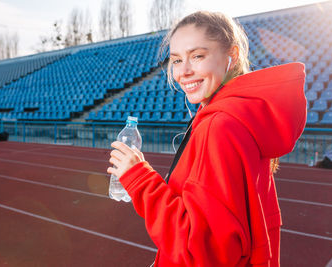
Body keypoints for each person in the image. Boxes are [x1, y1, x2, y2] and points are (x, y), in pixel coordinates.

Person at [107, 11, 307, 267]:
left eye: (197, 56)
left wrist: (138, 177)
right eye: (177, 60)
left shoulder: (220, 126)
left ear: (231, 57)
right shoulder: (239, 117)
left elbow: (199, 251)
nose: (184, 71)